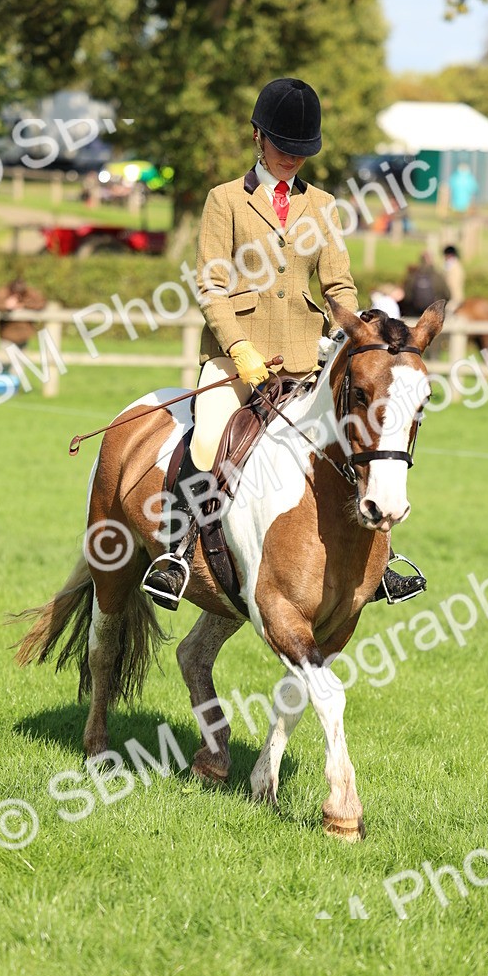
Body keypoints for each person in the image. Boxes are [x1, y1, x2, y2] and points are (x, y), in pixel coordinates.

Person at [142, 77, 427, 610]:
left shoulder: (321, 205)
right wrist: (239, 348)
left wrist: (356, 329)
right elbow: (211, 284)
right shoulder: (224, 200)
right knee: (207, 441)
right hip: (234, 359)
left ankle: (383, 559)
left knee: (357, 437)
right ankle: (176, 555)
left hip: (304, 357)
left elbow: (337, 283)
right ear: (257, 136)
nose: (292, 159)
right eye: (283, 148)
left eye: (302, 152)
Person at [0, 278, 46, 371]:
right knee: (3, 364)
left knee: (19, 367)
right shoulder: (3, 293)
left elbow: (42, 303)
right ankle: (1, 384)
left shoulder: (29, 293)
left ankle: (14, 384)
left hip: (23, 336)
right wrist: (6, 305)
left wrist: (24, 304)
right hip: (7, 335)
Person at [401, 251, 449, 318]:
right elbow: (447, 295)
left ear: (420, 260)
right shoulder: (438, 276)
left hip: (414, 314)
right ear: (431, 261)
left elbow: (407, 297)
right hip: (433, 314)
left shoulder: (412, 276)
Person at [442, 245, 465, 315]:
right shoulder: (451, 266)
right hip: (452, 297)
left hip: (454, 298)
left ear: (449, 255)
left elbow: (452, 285)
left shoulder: (453, 267)